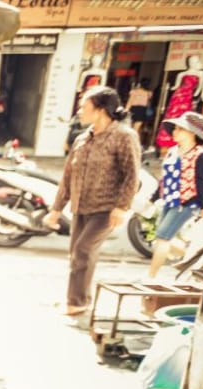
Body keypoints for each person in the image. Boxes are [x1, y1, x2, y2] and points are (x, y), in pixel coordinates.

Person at [48, 87, 141, 316]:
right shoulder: (82, 139)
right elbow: (68, 176)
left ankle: (77, 302)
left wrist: (122, 207)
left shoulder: (123, 136)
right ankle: (80, 299)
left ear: (100, 110)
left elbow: (132, 174)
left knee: (83, 250)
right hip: (81, 206)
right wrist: (56, 209)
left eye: (84, 107)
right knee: (78, 255)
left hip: (106, 209)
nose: (79, 111)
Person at [150, 113, 203, 277]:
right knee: (161, 238)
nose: (175, 132)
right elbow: (164, 178)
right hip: (169, 199)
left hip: (187, 202)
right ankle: (192, 258)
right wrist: (153, 197)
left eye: (180, 129)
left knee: (163, 238)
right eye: (176, 128)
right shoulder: (172, 151)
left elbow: (201, 180)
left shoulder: (201, 154)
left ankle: (151, 276)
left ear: (192, 133)